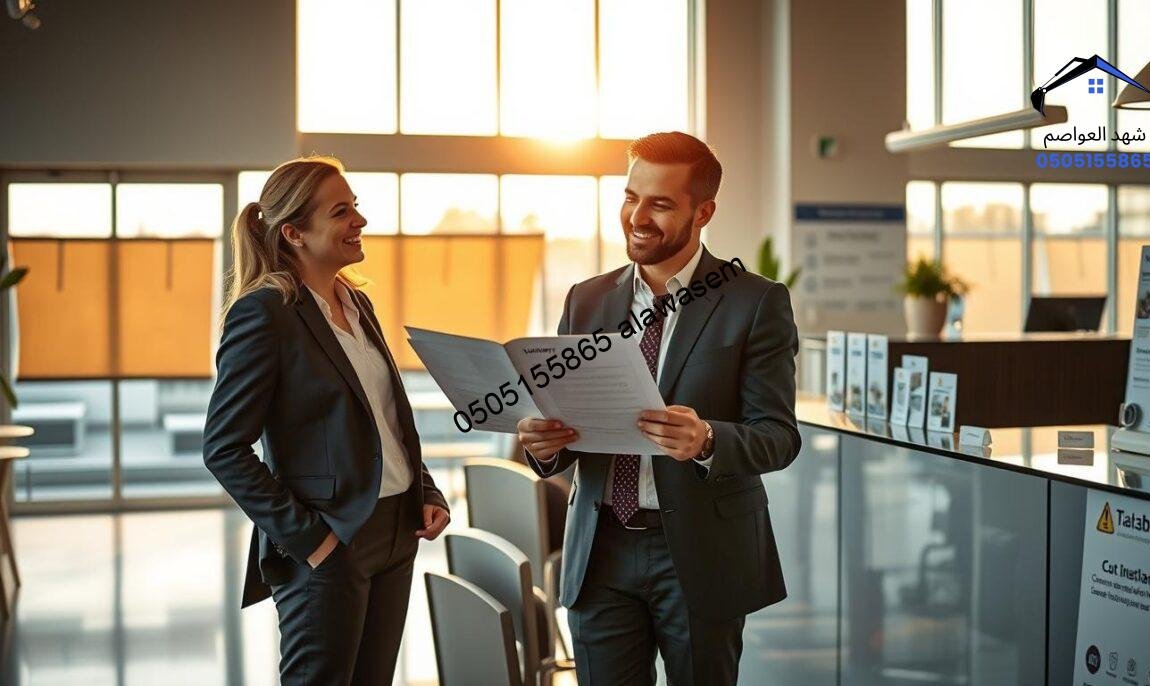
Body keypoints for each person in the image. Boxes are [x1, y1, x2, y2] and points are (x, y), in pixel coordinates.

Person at [516, 132, 801, 685]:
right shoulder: (586, 299)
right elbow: (559, 427)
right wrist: (544, 446)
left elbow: (779, 436)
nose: (637, 217)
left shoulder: (756, 302)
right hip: (600, 552)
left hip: (699, 553)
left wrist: (709, 440)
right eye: (630, 198)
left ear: (705, 211)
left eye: (661, 203)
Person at [202, 156, 450, 685]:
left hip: (396, 532)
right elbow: (224, 448)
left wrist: (425, 489)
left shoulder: (356, 303)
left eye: (355, 207)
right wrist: (313, 541)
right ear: (294, 233)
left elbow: (385, 419)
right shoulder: (265, 313)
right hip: (330, 538)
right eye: (342, 212)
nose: (359, 221)